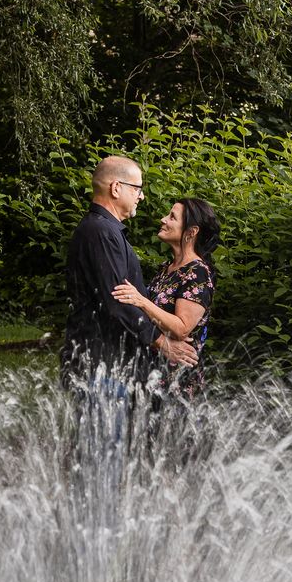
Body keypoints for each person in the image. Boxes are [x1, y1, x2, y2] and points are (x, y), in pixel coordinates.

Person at [60, 157, 196, 433]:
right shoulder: (100, 232)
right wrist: (161, 342)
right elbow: (118, 302)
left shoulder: (105, 231)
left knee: (108, 456)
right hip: (99, 364)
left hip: (107, 364)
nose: (141, 195)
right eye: (137, 188)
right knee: (102, 460)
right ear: (115, 188)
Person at [112, 197, 219, 398]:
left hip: (175, 381)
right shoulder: (167, 269)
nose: (163, 219)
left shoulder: (197, 272)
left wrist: (141, 300)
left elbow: (181, 327)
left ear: (192, 232)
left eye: (172, 217)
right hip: (148, 372)